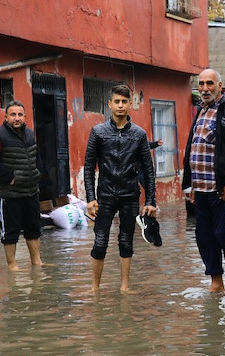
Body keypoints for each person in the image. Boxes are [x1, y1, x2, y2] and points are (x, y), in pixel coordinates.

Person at [182, 68, 225, 295]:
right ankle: (215, 282)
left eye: (209, 83)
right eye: (201, 84)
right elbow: (192, 151)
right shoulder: (200, 112)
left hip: (221, 191)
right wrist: (190, 185)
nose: (204, 89)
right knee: (204, 238)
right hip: (200, 191)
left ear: (220, 86)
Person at [84, 84, 157, 293]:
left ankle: (125, 287)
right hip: (105, 195)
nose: (120, 105)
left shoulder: (139, 135)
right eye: (117, 101)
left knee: (126, 240)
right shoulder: (98, 132)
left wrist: (151, 201)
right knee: (100, 241)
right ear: (110, 104)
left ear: (129, 105)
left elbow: (148, 170)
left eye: (124, 102)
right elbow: (89, 166)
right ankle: (94, 288)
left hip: (129, 195)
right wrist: (90, 197)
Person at [0, 100, 45, 271]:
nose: (17, 118)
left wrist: (37, 174)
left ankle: (37, 263)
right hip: (10, 194)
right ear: (6, 117)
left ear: (25, 116)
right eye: (13, 114)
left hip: (31, 192)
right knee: (10, 233)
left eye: (20, 114)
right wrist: (10, 177)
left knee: (34, 230)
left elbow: (37, 157)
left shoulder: (29, 134)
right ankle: (12, 267)